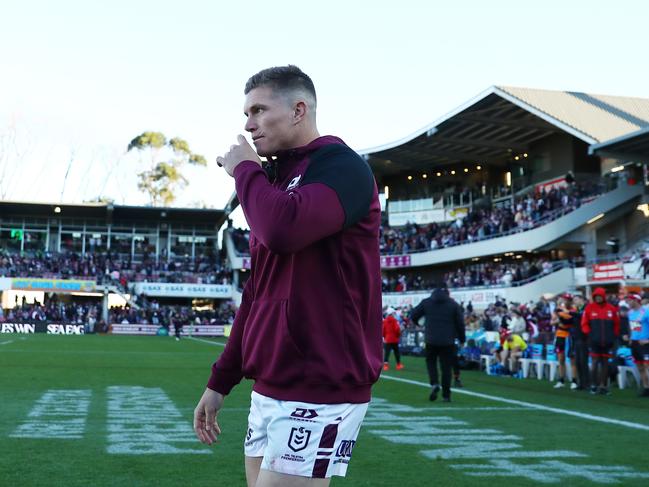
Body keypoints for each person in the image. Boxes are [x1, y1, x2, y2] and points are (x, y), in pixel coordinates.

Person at [192, 66, 382, 486]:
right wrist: (220, 381)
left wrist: (245, 170)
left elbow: (283, 230)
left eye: (259, 109)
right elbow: (258, 293)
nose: (248, 123)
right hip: (271, 383)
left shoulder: (342, 167)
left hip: (322, 381)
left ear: (299, 110)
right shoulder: (276, 179)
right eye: (246, 112)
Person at [410, 284, 465, 402]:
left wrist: (419, 324)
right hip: (448, 340)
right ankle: (446, 395)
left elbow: (413, 315)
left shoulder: (427, 302)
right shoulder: (453, 304)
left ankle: (434, 383)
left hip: (431, 339)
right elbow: (460, 324)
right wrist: (462, 339)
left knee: (431, 362)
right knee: (446, 368)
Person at [581, 287, 620, 395]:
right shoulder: (589, 308)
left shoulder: (611, 309)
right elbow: (584, 323)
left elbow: (617, 324)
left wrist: (613, 336)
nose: (598, 298)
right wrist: (590, 334)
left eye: (599, 296)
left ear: (603, 297)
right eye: (596, 297)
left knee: (605, 364)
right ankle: (594, 385)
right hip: (594, 341)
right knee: (594, 362)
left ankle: (603, 386)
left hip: (608, 341)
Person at [551, 294, 579, 390]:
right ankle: (561, 380)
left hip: (570, 336)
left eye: (567, 300)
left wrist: (563, 319)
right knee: (561, 358)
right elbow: (552, 322)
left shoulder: (574, 309)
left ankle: (574, 380)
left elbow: (572, 320)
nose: (565, 301)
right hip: (560, 335)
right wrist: (559, 320)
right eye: (564, 299)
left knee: (572, 359)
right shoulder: (559, 309)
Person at [627, 294, 649, 396]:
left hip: (645, 343)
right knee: (640, 366)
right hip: (635, 343)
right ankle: (646, 387)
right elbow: (633, 327)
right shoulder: (630, 313)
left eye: (629, 300)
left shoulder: (646, 312)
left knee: (647, 365)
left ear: (636, 301)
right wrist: (631, 338)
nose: (628, 303)